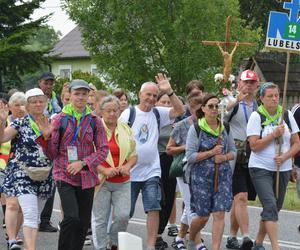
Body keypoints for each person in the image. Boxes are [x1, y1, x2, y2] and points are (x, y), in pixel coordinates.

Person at [119, 73, 184, 250]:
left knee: (154, 207)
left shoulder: (158, 113)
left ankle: (150, 245)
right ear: (140, 95)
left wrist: (169, 91)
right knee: (125, 212)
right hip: (130, 171)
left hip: (152, 171)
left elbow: (180, 111)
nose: (151, 98)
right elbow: (118, 140)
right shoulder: (128, 114)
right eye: (148, 94)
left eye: (154, 96)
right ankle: (116, 243)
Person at [42, 79, 108, 250]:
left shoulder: (95, 120)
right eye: (76, 93)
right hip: (64, 174)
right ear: (69, 95)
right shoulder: (59, 119)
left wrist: (84, 163)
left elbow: (103, 150)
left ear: (89, 96)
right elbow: (51, 154)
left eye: (84, 94)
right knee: (71, 217)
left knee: (83, 223)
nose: (80, 97)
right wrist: (46, 138)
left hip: (87, 176)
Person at [247, 82, 300, 250]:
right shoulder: (256, 116)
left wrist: (285, 157)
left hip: (282, 168)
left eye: (276, 95)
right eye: (269, 96)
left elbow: (297, 143)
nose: (274, 99)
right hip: (260, 167)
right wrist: (273, 135)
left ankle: (258, 243)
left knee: (274, 208)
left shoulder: (285, 115)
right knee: (270, 205)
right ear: (261, 98)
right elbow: (254, 146)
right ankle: (276, 247)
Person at [0, 88, 54, 250]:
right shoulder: (20, 122)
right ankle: (21, 244)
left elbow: (59, 150)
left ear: (46, 103)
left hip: (45, 175)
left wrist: (47, 137)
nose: (38, 104)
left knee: (33, 215)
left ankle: (17, 240)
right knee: (26, 212)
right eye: (33, 101)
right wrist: (2, 122)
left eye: (40, 101)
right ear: (27, 106)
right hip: (22, 173)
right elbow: (2, 138)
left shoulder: (53, 122)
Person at [186, 93, 236, 250]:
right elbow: (191, 156)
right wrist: (211, 153)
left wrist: (224, 157)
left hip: (223, 177)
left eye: (217, 106)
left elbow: (234, 152)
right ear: (203, 108)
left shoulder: (225, 127)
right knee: (202, 216)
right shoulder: (196, 129)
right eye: (211, 106)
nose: (214, 109)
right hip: (201, 177)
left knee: (220, 213)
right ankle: (191, 236)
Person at [91, 95, 137, 250]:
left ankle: (114, 242)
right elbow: (88, 155)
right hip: (101, 181)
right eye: (108, 110)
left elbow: (134, 154)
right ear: (101, 111)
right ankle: (101, 247)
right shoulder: (95, 129)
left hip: (123, 180)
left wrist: (128, 166)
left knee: (124, 215)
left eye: (115, 110)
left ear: (119, 111)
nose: (112, 113)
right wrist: (104, 170)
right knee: (101, 219)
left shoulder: (126, 128)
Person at [225, 70, 259, 249]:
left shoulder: (259, 105)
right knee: (241, 197)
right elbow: (221, 115)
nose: (248, 86)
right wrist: (235, 101)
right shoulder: (232, 102)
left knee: (241, 199)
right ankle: (246, 237)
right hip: (235, 156)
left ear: (257, 85)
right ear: (238, 83)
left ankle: (231, 236)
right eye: (245, 82)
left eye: (252, 83)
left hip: (254, 155)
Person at [166, 93, 203, 250]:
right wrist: (185, 147)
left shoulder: (210, 125)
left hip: (202, 170)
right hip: (184, 170)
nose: (200, 115)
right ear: (190, 108)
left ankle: (180, 238)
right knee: (191, 205)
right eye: (197, 111)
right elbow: (169, 149)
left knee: (191, 206)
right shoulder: (181, 125)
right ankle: (197, 242)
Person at [38, 71, 62, 233]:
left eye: (51, 83)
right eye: (46, 83)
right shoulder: (34, 99)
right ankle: (29, 217)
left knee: (50, 185)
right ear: (39, 83)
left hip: (52, 145)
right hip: (36, 145)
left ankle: (44, 221)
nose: (48, 86)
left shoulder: (56, 100)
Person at [2, 92, 27, 247]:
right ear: (10, 107)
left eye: (22, 104)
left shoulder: (29, 122)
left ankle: (13, 235)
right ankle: (11, 238)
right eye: (16, 105)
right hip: (5, 167)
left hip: (25, 169)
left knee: (21, 207)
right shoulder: (6, 121)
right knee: (12, 204)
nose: (20, 108)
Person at [155, 91, 177, 250]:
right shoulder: (154, 120)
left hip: (172, 160)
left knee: (169, 198)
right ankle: (155, 235)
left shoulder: (178, 122)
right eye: (163, 102)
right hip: (156, 160)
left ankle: (160, 231)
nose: (167, 106)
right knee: (158, 199)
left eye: (169, 103)